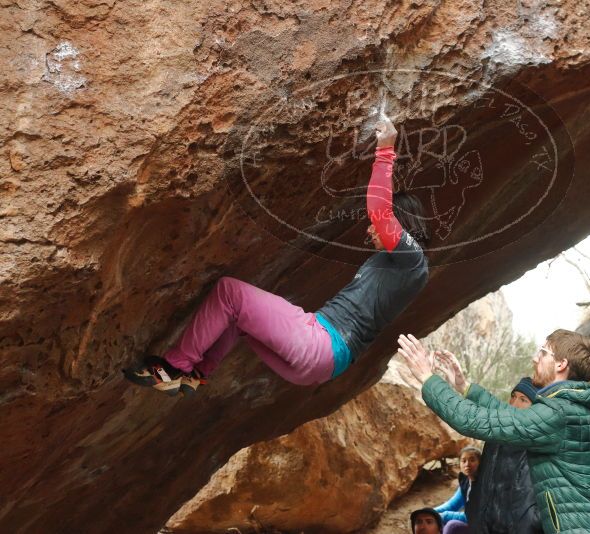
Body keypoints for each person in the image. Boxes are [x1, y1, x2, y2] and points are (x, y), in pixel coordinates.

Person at [124, 116, 429, 396]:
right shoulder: (402, 267)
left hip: (320, 345)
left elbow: (378, 212)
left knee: (229, 292)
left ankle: (175, 368)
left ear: (403, 221)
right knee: (238, 318)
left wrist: (386, 151)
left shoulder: (413, 260)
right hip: (320, 366)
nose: (370, 230)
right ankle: (197, 373)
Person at [398, 330, 590, 534]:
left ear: (561, 364)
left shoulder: (558, 413)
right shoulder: (571, 407)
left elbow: (473, 420)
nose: (534, 358)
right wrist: (465, 387)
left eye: (543, 352)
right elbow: (511, 416)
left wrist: (428, 378)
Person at [466, 377, 543, 534]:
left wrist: (534, 523)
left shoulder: (540, 443)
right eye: (513, 396)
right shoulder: (495, 436)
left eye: (523, 400)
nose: (514, 404)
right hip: (485, 527)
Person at [434, 445, 482, 534]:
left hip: (483, 528)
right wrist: (430, 512)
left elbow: (472, 517)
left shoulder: (485, 486)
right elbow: (453, 504)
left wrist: (443, 516)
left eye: (472, 460)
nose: (467, 464)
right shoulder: (466, 481)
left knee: (452, 525)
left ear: (480, 463)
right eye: (463, 461)